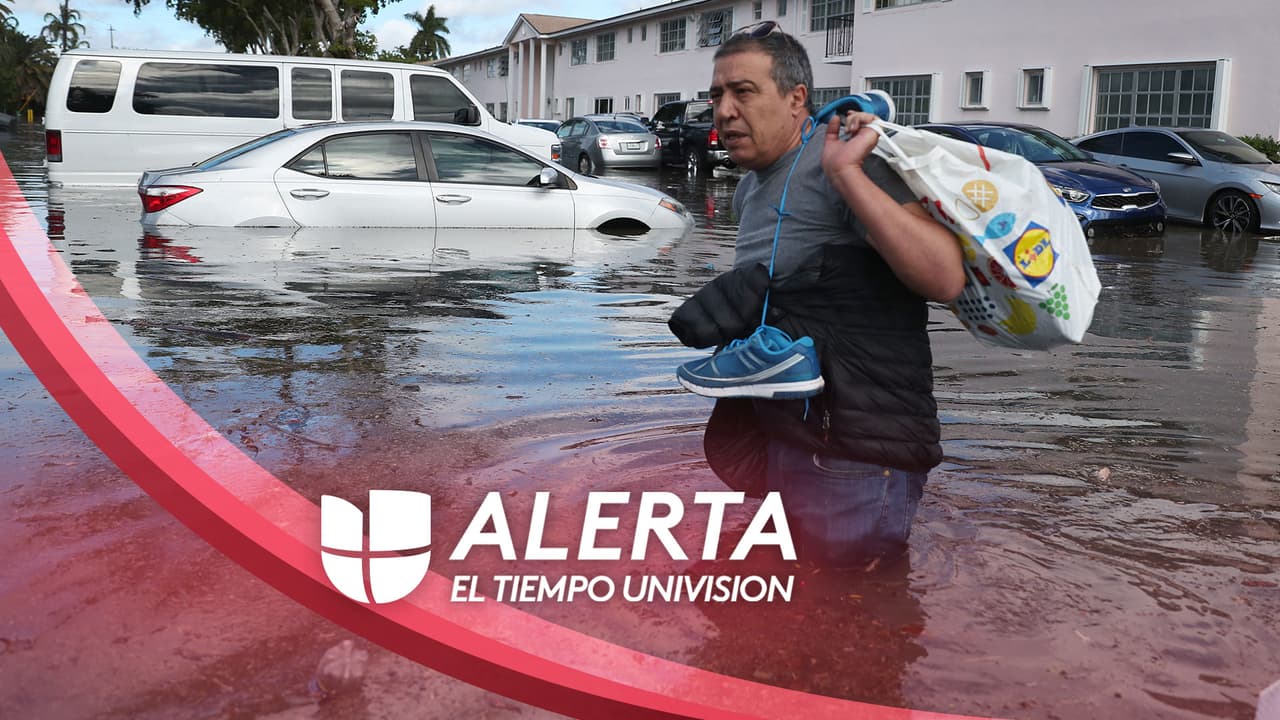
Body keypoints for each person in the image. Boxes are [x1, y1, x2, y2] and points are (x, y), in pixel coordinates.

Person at [668, 22, 965, 567]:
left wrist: (848, 173)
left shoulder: (847, 161)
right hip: (795, 436)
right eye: (716, 96)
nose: (725, 110)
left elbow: (944, 277)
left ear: (796, 98)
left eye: (744, 92)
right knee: (785, 613)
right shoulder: (752, 187)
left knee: (858, 617)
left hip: (856, 453)